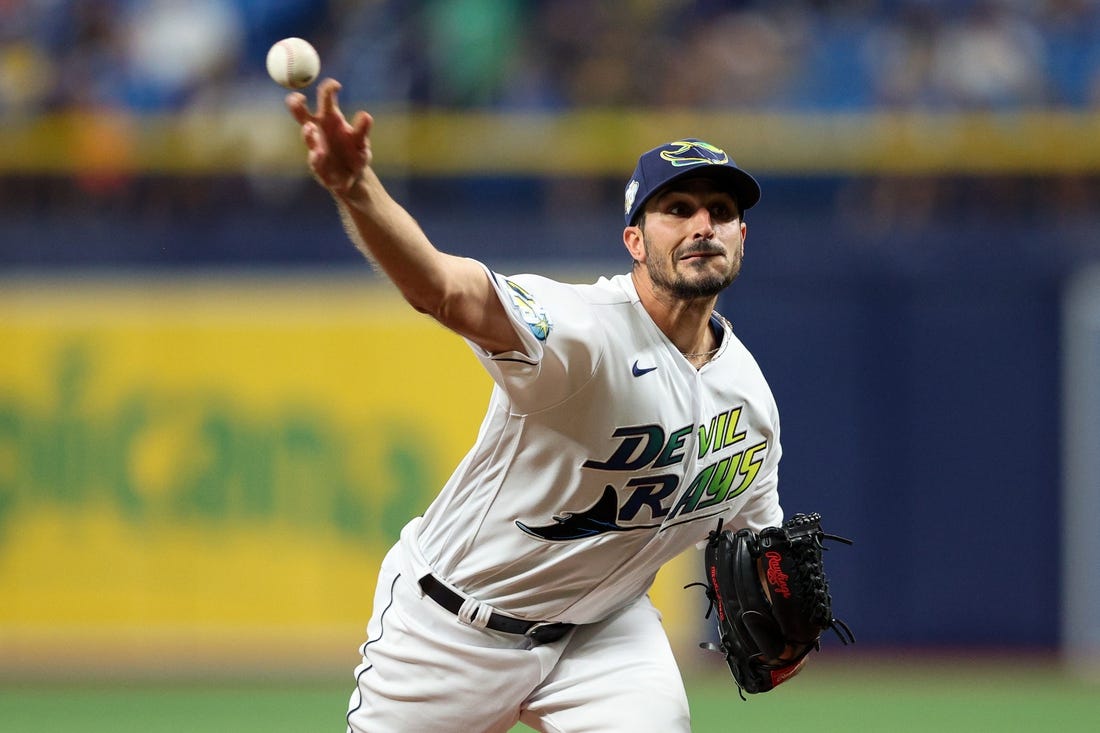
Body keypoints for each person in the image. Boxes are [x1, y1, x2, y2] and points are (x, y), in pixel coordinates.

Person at [286, 78, 785, 733]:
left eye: (720, 211)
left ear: (741, 235)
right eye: (678, 208)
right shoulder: (582, 330)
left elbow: (759, 536)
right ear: (635, 240)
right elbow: (443, 288)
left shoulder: (747, 397)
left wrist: (777, 591)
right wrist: (357, 188)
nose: (702, 225)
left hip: (604, 636)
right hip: (452, 627)